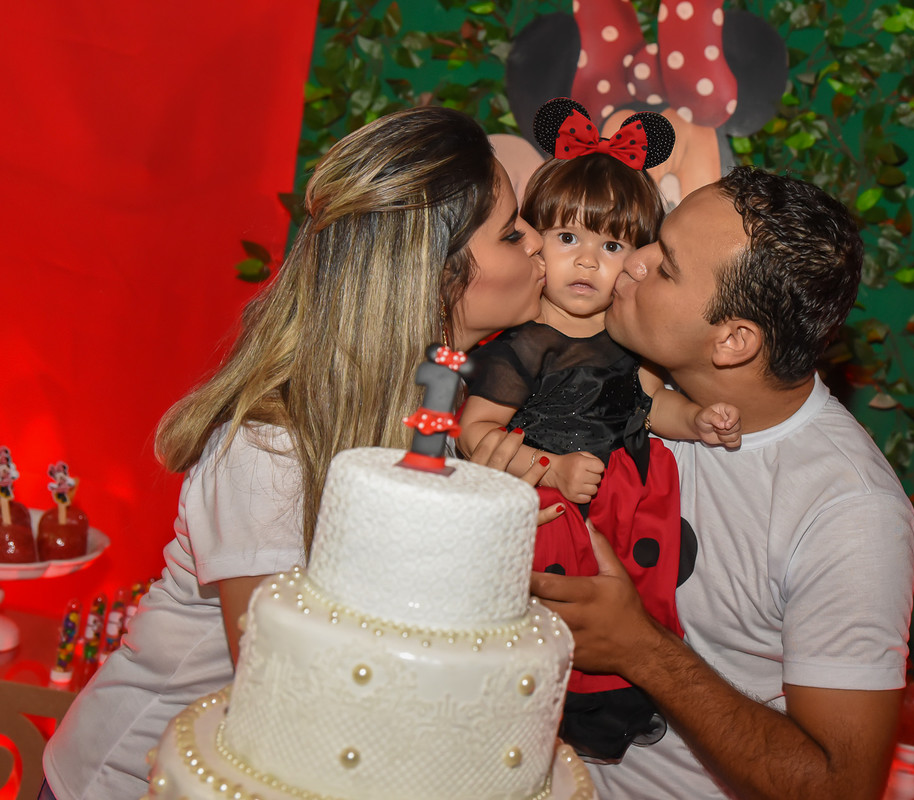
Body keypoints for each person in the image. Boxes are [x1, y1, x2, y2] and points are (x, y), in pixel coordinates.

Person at [40, 105, 553, 800]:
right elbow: (280, 689)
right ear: (436, 275)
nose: (538, 246)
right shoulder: (268, 449)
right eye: (513, 232)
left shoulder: (438, 409)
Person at [531, 166, 914, 799]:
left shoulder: (849, 513)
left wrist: (641, 650)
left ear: (734, 341)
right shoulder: (606, 358)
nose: (632, 261)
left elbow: (840, 787)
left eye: (665, 267)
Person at [457, 99, 740, 762]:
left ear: (636, 259)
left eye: (610, 246)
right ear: (534, 241)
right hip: (549, 514)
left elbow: (647, 405)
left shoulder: (628, 342)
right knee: (544, 632)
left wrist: (695, 419)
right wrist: (548, 468)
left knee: (617, 627)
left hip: (627, 507)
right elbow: (475, 430)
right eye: (568, 239)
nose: (587, 261)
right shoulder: (523, 345)